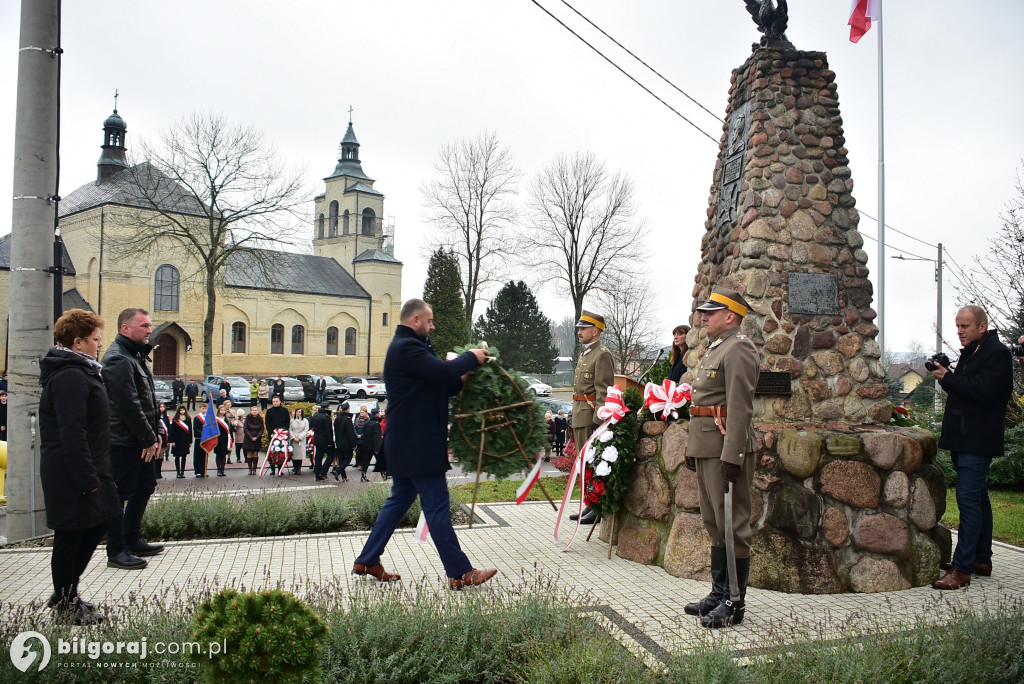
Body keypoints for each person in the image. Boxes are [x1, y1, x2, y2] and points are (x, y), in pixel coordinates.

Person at [352, 298, 497, 589]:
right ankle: (461, 572)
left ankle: (367, 560)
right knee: (437, 507)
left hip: (409, 444)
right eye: (429, 321)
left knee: (398, 502)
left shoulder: (412, 348)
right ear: (415, 320)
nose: (432, 326)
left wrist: (463, 376)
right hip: (417, 446)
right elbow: (443, 373)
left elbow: (439, 385)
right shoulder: (406, 347)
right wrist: (470, 356)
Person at [683, 287, 760, 629]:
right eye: (703, 311)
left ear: (730, 316)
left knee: (732, 525)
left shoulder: (739, 347)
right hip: (707, 447)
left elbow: (740, 407)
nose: (703, 316)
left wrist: (733, 456)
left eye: (710, 312)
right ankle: (718, 593)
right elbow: (703, 405)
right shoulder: (718, 347)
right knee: (715, 523)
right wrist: (692, 449)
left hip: (725, 449)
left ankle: (734, 602)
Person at [39, 309, 120, 624]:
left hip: (91, 465)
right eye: (96, 339)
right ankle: (65, 604)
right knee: (71, 534)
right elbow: (72, 433)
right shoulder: (71, 375)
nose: (100, 344)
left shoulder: (81, 370)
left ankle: (65, 592)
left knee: (102, 520)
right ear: (78, 342)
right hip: (71, 470)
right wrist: (87, 479)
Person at [931, 306, 1013, 590]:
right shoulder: (974, 351)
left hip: (977, 440)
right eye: (957, 326)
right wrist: (945, 377)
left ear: (982, 326)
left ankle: (962, 569)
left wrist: (951, 378)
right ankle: (981, 559)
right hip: (966, 438)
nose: (960, 331)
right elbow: (963, 389)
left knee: (968, 502)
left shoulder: (997, 354)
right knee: (978, 498)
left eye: (965, 326)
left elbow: (981, 391)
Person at [101, 308, 163, 571]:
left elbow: (149, 402)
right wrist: (148, 438)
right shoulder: (117, 359)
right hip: (124, 441)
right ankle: (116, 550)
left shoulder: (136, 356)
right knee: (119, 494)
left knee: (145, 486)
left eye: (150, 325)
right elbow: (128, 406)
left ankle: (132, 538)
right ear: (125, 328)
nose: (150, 330)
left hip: (142, 439)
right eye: (144, 326)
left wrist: (157, 432)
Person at [569, 310, 614, 525]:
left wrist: (599, 419)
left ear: (595, 331)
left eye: (583, 328)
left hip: (590, 417)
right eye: (579, 328)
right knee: (583, 462)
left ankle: (595, 506)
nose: (579, 331)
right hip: (580, 413)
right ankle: (589, 504)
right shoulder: (587, 353)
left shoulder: (602, 354)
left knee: (593, 463)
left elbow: (604, 390)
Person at [263, 395, 290, 475]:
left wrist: (284, 432)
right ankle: (272, 469)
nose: (275, 403)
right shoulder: (269, 411)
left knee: (281, 451)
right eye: (273, 401)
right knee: (272, 451)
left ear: (280, 401)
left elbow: (287, 422)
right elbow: (267, 423)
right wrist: (271, 433)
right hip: (273, 435)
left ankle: (280, 469)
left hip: (282, 435)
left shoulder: (285, 411)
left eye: (276, 401)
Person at [309, 401, 334, 481]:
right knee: (331, 455)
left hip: (317, 439)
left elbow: (311, 427)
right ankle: (323, 472)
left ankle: (317, 474)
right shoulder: (326, 417)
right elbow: (328, 431)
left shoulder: (315, 416)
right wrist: (330, 442)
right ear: (326, 408)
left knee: (318, 457)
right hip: (325, 440)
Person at [333, 401, 356, 482]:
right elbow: (351, 433)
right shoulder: (348, 419)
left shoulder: (337, 419)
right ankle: (337, 471)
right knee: (348, 459)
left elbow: (335, 431)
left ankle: (344, 477)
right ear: (348, 409)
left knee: (342, 459)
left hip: (339, 442)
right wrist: (353, 444)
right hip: (347, 443)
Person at [169, 406, 192, 479]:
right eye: (181, 410)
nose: (182, 411)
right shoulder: (175, 420)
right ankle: (178, 472)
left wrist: (190, 441)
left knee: (184, 456)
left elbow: (190, 431)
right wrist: (172, 441)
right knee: (177, 456)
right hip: (177, 440)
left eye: (183, 410)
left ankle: (182, 472)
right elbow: (172, 431)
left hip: (185, 440)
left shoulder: (188, 419)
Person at [243, 404, 265, 475]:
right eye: (253, 410)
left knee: (255, 454)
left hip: (257, 438)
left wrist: (257, 437)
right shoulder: (247, 418)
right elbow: (245, 428)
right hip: (248, 438)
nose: (254, 411)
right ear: (250, 411)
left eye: (256, 410)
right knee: (249, 454)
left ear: (258, 411)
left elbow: (262, 429)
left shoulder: (260, 418)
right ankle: (250, 469)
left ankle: (254, 469)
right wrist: (251, 437)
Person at [362, 407, 383, 480]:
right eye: (378, 413)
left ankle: (363, 476)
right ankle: (384, 476)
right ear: (376, 414)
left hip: (367, 446)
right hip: (374, 447)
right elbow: (377, 438)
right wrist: (377, 448)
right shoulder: (376, 424)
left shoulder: (367, 423)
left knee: (366, 462)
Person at [289, 407, 309, 475]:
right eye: (297, 412)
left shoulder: (305, 420)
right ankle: (295, 468)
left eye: (300, 412)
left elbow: (306, 430)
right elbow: (290, 429)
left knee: (300, 455)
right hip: (294, 438)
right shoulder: (292, 420)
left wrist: (300, 438)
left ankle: (299, 468)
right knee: (294, 455)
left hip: (301, 439)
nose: (298, 413)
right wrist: (293, 437)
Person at [214, 403, 232, 477]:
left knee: (224, 454)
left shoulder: (227, 419)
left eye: (224, 410)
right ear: (219, 411)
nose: (223, 411)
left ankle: (223, 469)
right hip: (218, 438)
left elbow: (229, 430)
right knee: (219, 454)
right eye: (221, 410)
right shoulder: (216, 419)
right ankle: (218, 469)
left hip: (225, 439)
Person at [353, 405, 371, 481]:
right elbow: (354, 427)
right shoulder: (357, 419)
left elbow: (368, 429)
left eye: (363, 412)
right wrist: (356, 435)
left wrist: (362, 435)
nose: (361, 414)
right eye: (360, 412)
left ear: (366, 413)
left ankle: (364, 465)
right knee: (359, 452)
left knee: (364, 452)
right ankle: (360, 464)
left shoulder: (368, 420)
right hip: (358, 438)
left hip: (364, 438)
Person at [192, 403, 209, 477]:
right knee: (198, 455)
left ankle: (204, 471)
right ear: (200, 409)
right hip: (199, 438)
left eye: (205, 408)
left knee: (204, 455)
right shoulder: (196, 418)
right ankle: (197, 471)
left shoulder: (209, 418)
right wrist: (203, 433)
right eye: (202, 408)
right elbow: (195, 428)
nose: (204, 410)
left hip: (206, 439)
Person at [373, 408, 389, 480]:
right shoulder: (381, 419)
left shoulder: (388, 420)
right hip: (381, 439)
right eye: (381, 411)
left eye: (383, 412)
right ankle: (385, 473)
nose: (381, 413)